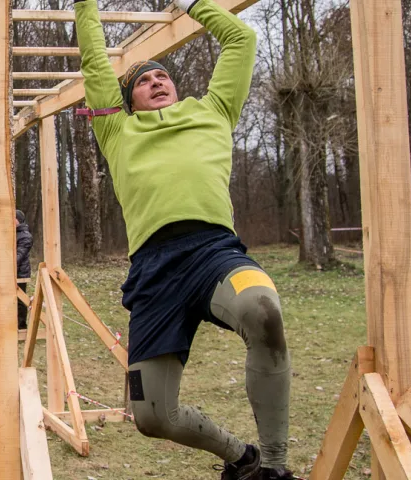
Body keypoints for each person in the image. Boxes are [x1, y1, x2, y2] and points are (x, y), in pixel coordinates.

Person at [75, 0, 293, 479]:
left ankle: (276, 468)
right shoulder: (116, 131)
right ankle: (244, 460)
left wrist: (194, 4)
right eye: (143, 82)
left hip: (215, 252)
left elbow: (242, 39)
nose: (156, 81)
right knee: (153, 416)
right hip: (153, 272)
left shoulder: (214, 111)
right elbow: (93, 59)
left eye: (162, 76)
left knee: (263, 309)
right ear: (126, 100)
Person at [15, 210, 33, 329]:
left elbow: (19, 256)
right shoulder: (12, 233)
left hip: (21, 272)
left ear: (18, 220)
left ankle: (21, 326)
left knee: (20, 301)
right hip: (10, 271)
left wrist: (6, 265)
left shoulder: (26, 236)